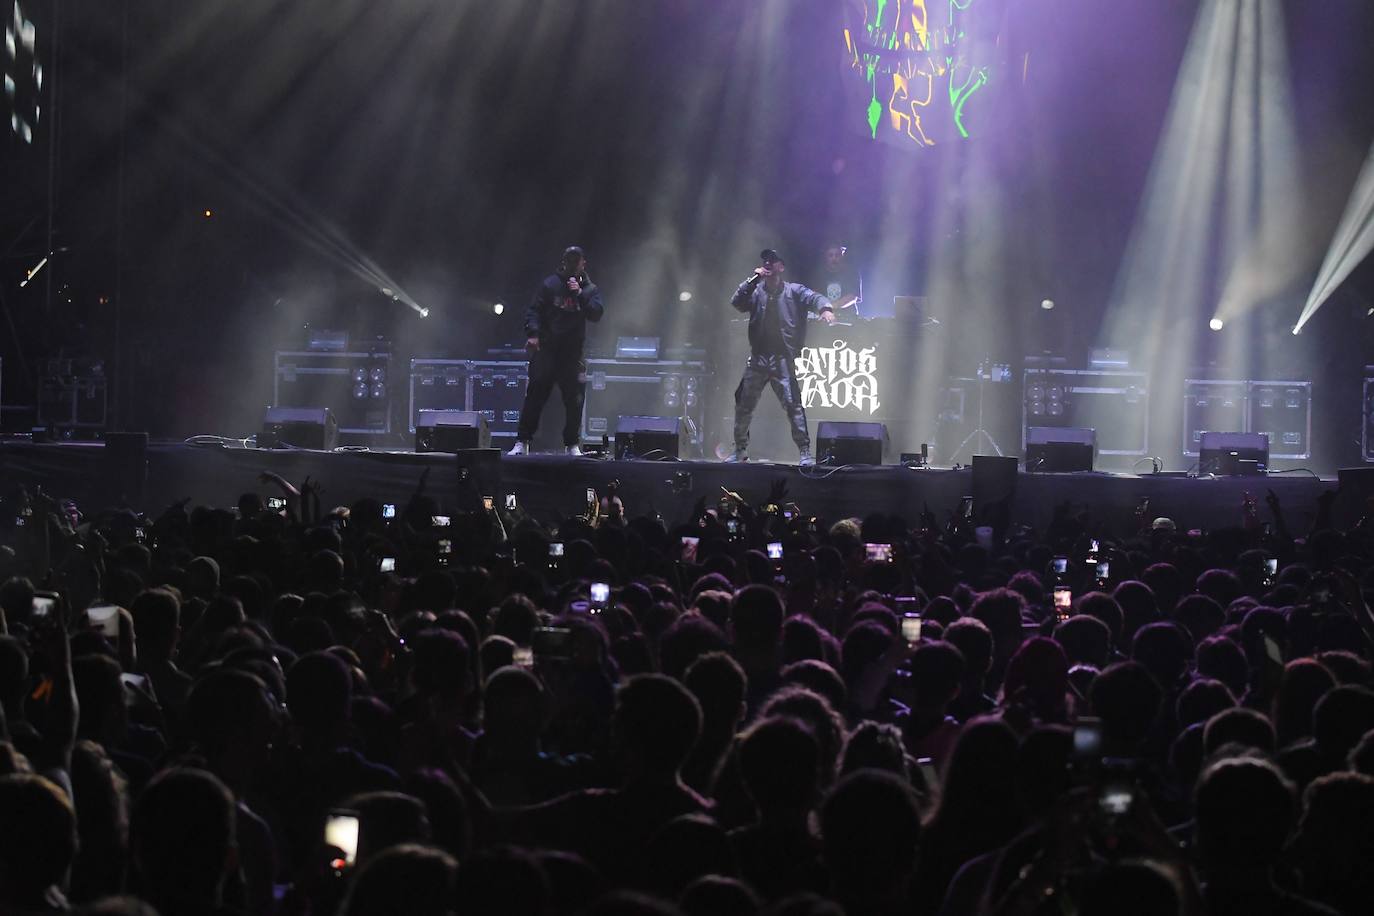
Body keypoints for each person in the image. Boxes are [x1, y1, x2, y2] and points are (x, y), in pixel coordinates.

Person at [728, 249, 835, 465]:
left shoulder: (793, 291)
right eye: (765, 261)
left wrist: (825, 309)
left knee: (793, 404)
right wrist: (753, 279)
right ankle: (740, 450)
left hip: (782, 359)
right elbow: (736, 302)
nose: (768, 263)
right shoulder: (756, 291)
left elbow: (814, 297)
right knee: (743, 404)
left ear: (781, 267)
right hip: (758, 358)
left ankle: (805, 452)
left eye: (773, 261)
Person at [509, 246, 605, 457]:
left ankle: (571, 444)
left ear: (583, 264)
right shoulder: (550, 285)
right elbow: (534, 310)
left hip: (572, 354)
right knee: (535, 395)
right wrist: (532, 334)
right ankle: (522, 441)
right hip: (547, 350)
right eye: (569, 261)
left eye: (576, 261)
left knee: (575, 400)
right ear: (564, 262)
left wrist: (579, 294)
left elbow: (596, 314)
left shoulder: (589, 290)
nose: (572, 265)